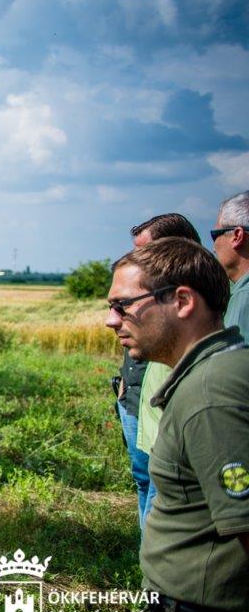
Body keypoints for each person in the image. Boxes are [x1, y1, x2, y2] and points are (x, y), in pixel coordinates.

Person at [92, 237, 249, 612]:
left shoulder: (209, 392)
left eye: (123, 305)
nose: (111, 320)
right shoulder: (221, 369)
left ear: (181, 301)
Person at [115, 213, 201, 528]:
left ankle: (157, 569)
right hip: (134, 401)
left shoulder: (195, 301)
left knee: (163, 490)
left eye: (146, 252)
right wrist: (125, 387)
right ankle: (147, 558)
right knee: (143, 482)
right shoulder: (144, 293)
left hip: (166, 410)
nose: (138, 260)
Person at [212, 189, 249, 333]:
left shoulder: (244, 297)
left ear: (237, 236)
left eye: (215, 235)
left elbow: (236, 355)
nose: (214, 248)